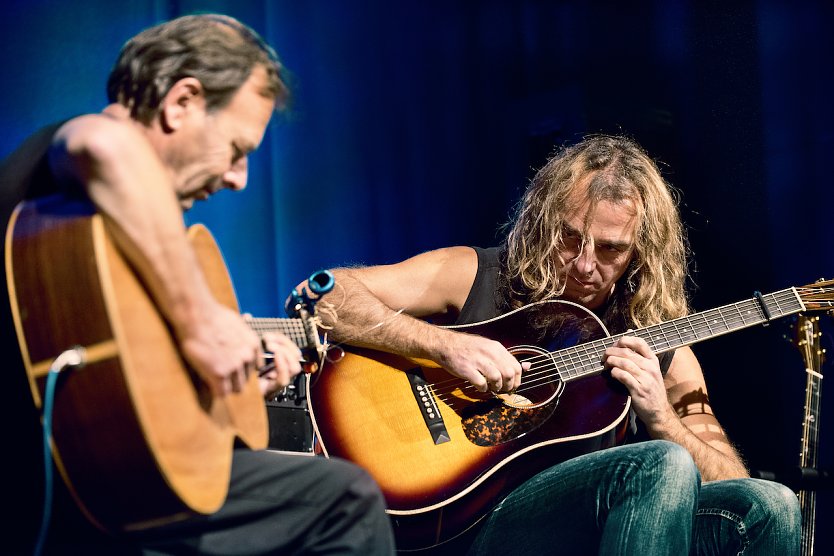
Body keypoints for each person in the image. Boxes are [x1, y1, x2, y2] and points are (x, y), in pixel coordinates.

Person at [0, 14, 394, 555]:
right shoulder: (65, 179)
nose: (239, 179)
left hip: (107, 485)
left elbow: (124, 403)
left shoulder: (121, 242)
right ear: (180, 102)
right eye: (237, 149)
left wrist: (226, 397)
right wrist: (201, 321)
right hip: (54, 499)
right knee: (344, 499)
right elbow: (102, 143)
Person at [309, 135, 801, 555]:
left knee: (772, 505)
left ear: (640, 252)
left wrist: (661, 417)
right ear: (545, 221)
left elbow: (729, 478)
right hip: (474, 519)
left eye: (610, 249)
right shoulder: (476, 276)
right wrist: (444, 346)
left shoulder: (663, 354)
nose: (585, 265)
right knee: (658, 465)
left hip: (581, 527)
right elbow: (324, 298)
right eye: (570, 239)